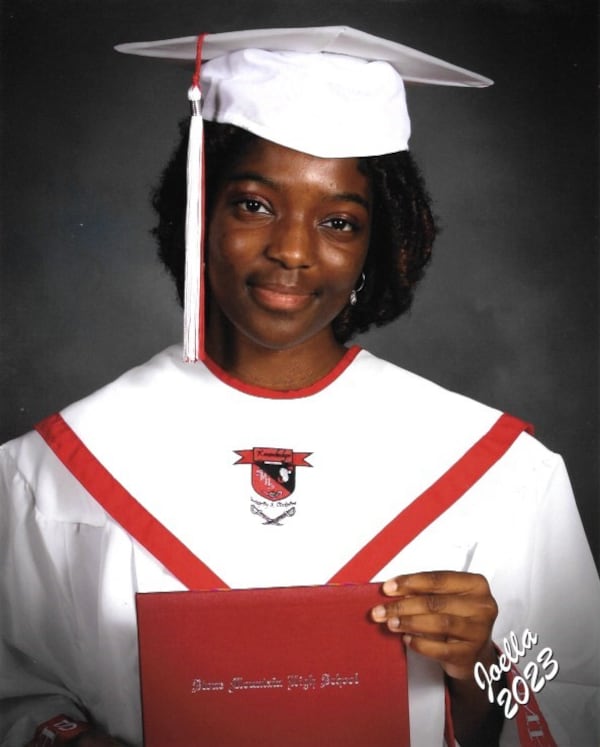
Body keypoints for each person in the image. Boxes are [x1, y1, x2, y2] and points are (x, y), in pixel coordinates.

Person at [1, 25, 598, 747]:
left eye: (340, 221)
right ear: (198, 207)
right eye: (254, 204)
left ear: (376, 244)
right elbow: (17, 694)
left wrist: (484, 672)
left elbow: (573, 699)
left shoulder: (499, 470)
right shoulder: (52, 470)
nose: (292, 249)